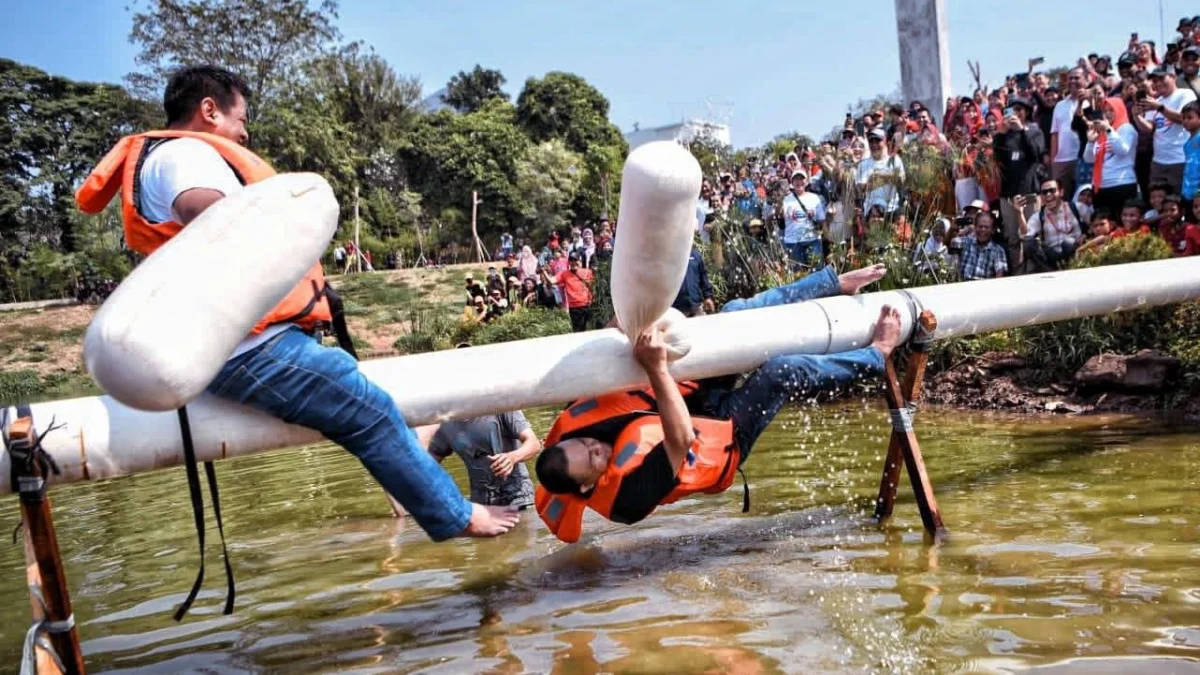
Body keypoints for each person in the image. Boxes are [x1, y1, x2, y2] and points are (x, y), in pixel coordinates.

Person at [75, 65, 518, 539]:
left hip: (235, 347)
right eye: (240, 119)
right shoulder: (186, 155)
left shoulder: (165, 158)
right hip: (251, 350)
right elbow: (216, 221)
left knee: (360, 404)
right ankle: (456, 516)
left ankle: (430, 506)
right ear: (208, 110)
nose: (245, 132)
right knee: (367, 411)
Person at [533, 264, 899, 541]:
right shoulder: (627, 501)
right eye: (593, 458)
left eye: (585, 443)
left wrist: (625, 324)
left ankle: (831, 284)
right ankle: (876, 355)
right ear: (586, 486)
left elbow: (608, 358)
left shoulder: (576, 425)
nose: (596, 447)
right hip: (721, 438)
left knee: (733, 314)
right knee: (780, 372)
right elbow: (680, 440)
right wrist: (657, 368)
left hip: (693, 396)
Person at [423, 409, 542, 510]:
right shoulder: (446, 424)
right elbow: (428, 462)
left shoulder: (501, 406)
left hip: (519, 499)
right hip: (481, 506)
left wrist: (511, 457)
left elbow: (534, 443)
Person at [1084, 98, 1140, 218]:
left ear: (1119, 110)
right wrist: (1090, 142)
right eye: (1105, 111)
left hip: (1121, 184)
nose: (1108, 114)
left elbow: (1122, 149)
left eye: (1111, 110)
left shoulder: (1126, 128)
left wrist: (1109, 130)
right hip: (1100, 186)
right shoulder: (1102, 132)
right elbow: (1089, 159)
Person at [1017, 179, 1085, 272]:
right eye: (1044, 193)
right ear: (1041, 197)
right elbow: (1025, 236)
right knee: (1028, 243)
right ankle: (1049, 272)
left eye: (1052, 191)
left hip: (1073, 252)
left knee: (1068, 243)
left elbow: (1094, 223)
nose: (1048, 195)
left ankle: (1072, 268)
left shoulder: (1077, 208)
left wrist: (1085, 236)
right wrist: (1020, 213)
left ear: (1061, 192)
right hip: (1051, 255)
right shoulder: (1039, 215)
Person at [953, 210, 1008, 280]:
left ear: (993, 230)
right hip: (962, 285)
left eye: (986, 227)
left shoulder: (997, 251)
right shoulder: (966, 242)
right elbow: (950, 242)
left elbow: (1000, 277)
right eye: (980, 226)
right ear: (975, 227)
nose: (983, 230)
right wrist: (955, 229)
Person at [672, 245, 716, 317]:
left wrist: (708, 297)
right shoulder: (671, 256)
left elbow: (703, 277)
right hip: (677, 308)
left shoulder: (695, 255)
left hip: (696, 305)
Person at [555, 254, 595, 332]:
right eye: (571, 261)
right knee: (578, 331)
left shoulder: (588, 272)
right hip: (575, 308)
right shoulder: (564, 274)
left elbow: (594, 287)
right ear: (569, 263)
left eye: (575, 260)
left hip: (588, 305)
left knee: (591, 329)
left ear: (579, 261)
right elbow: (551, 281)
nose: (573, 263)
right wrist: (544, 271)